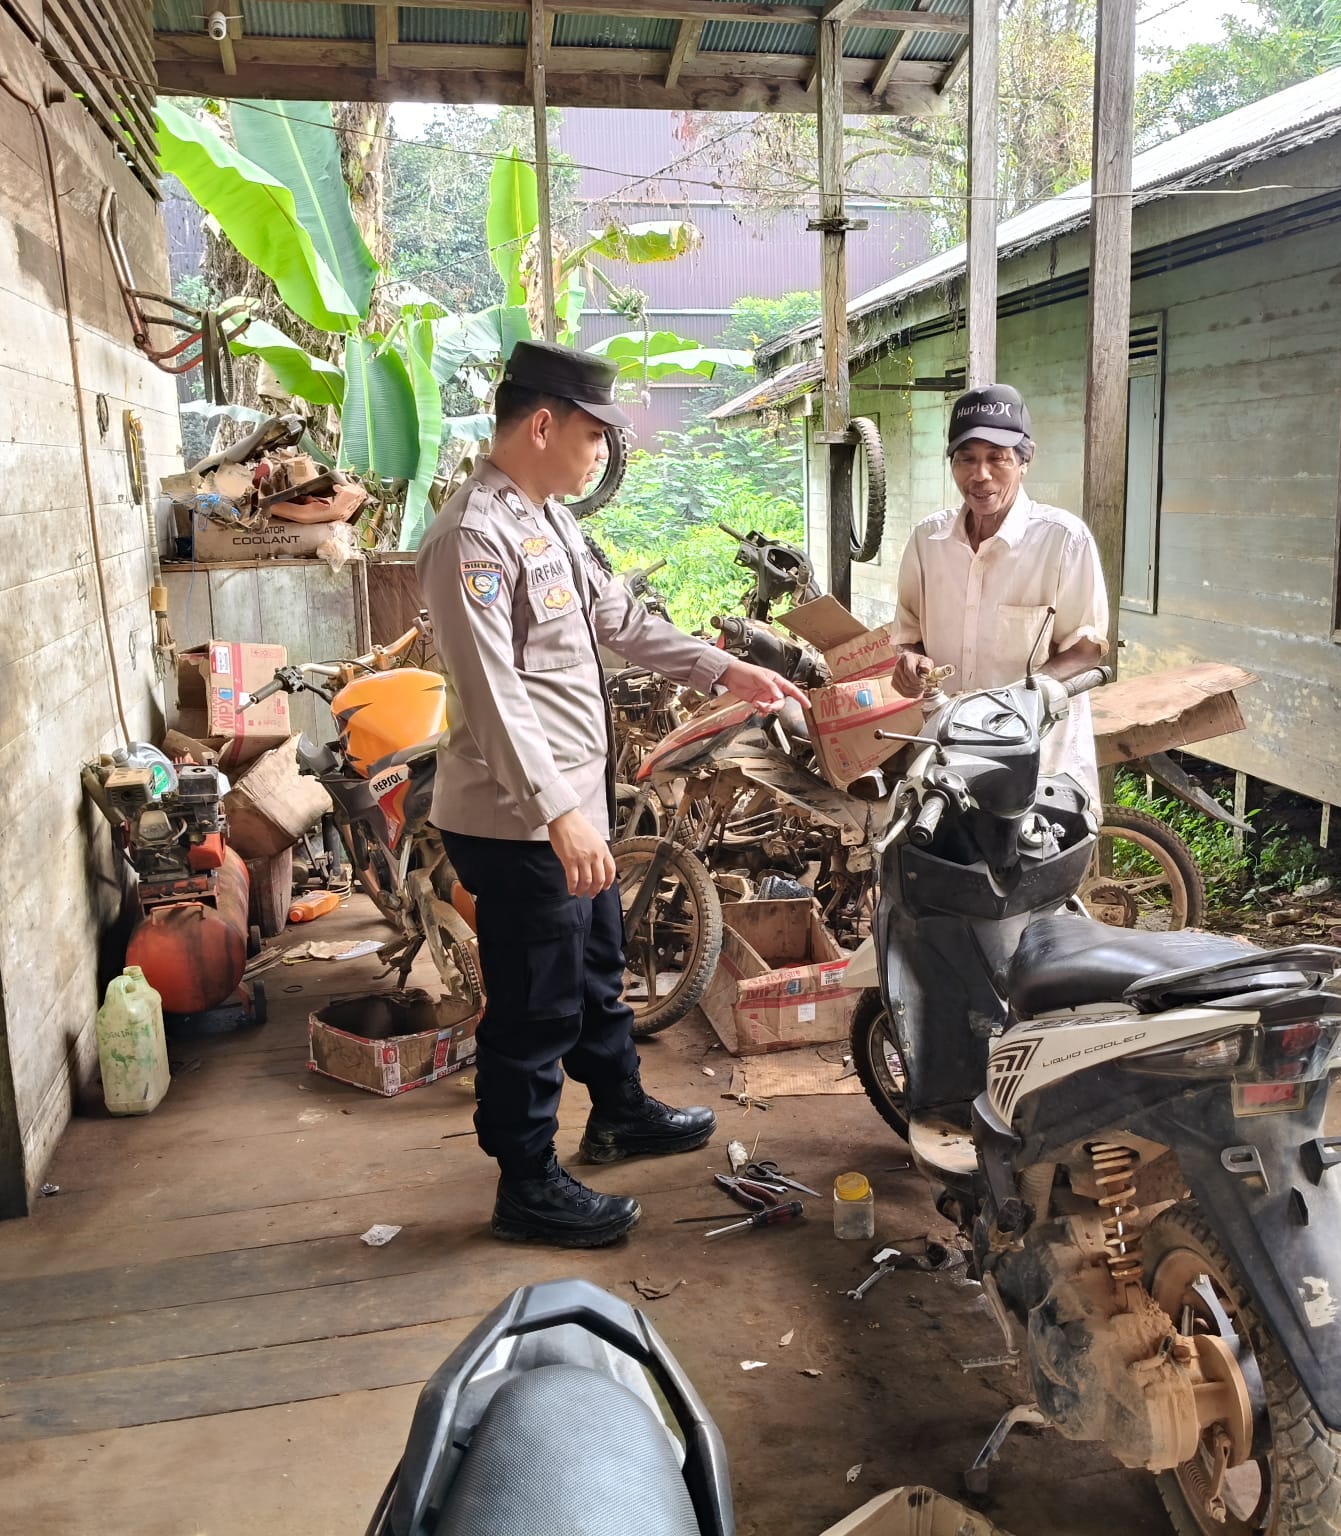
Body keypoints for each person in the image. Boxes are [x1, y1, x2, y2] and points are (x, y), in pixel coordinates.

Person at [417, 339, 810, 1249]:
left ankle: (619, 1112)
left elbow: (620, 620)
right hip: (520, 822)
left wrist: (726, 670)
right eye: (595, 433)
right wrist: (557, 814)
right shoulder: (473, 535)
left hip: (570, 808)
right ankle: (525, 1182)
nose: (602, 451)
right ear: (543, 425)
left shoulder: (548, 520)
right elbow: (493, 693)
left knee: (596, 969)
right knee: (537, 1003)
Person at [889, 384, 1110, 807]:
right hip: (946, 753)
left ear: (1025, 460)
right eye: (966, 459)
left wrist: (1012, 703)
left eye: (997, 458)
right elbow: (909, 635)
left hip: (1038, 759)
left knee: (1028, 849)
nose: (980, 475)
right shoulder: (927, 541)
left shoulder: (1064, 541)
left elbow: (1085, 649)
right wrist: (911, 660)